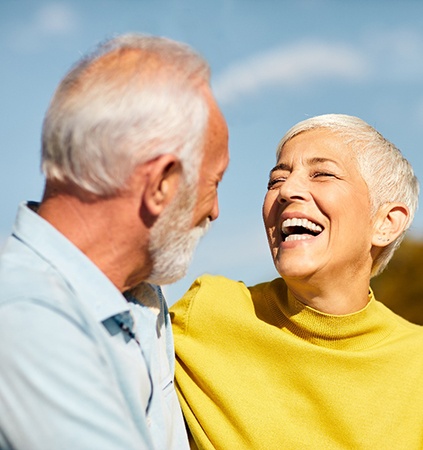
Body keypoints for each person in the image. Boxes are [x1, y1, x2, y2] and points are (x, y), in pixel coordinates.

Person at [0, 33, 229, 450]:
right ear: (161, 183)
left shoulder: (142, 297)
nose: (215, 211)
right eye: (214, 183)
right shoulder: (25, 318)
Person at [171, 114, 423, 449]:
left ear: (386, 223)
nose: (287, 191)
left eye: (322, 174)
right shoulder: (206, 311)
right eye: (276, 181)